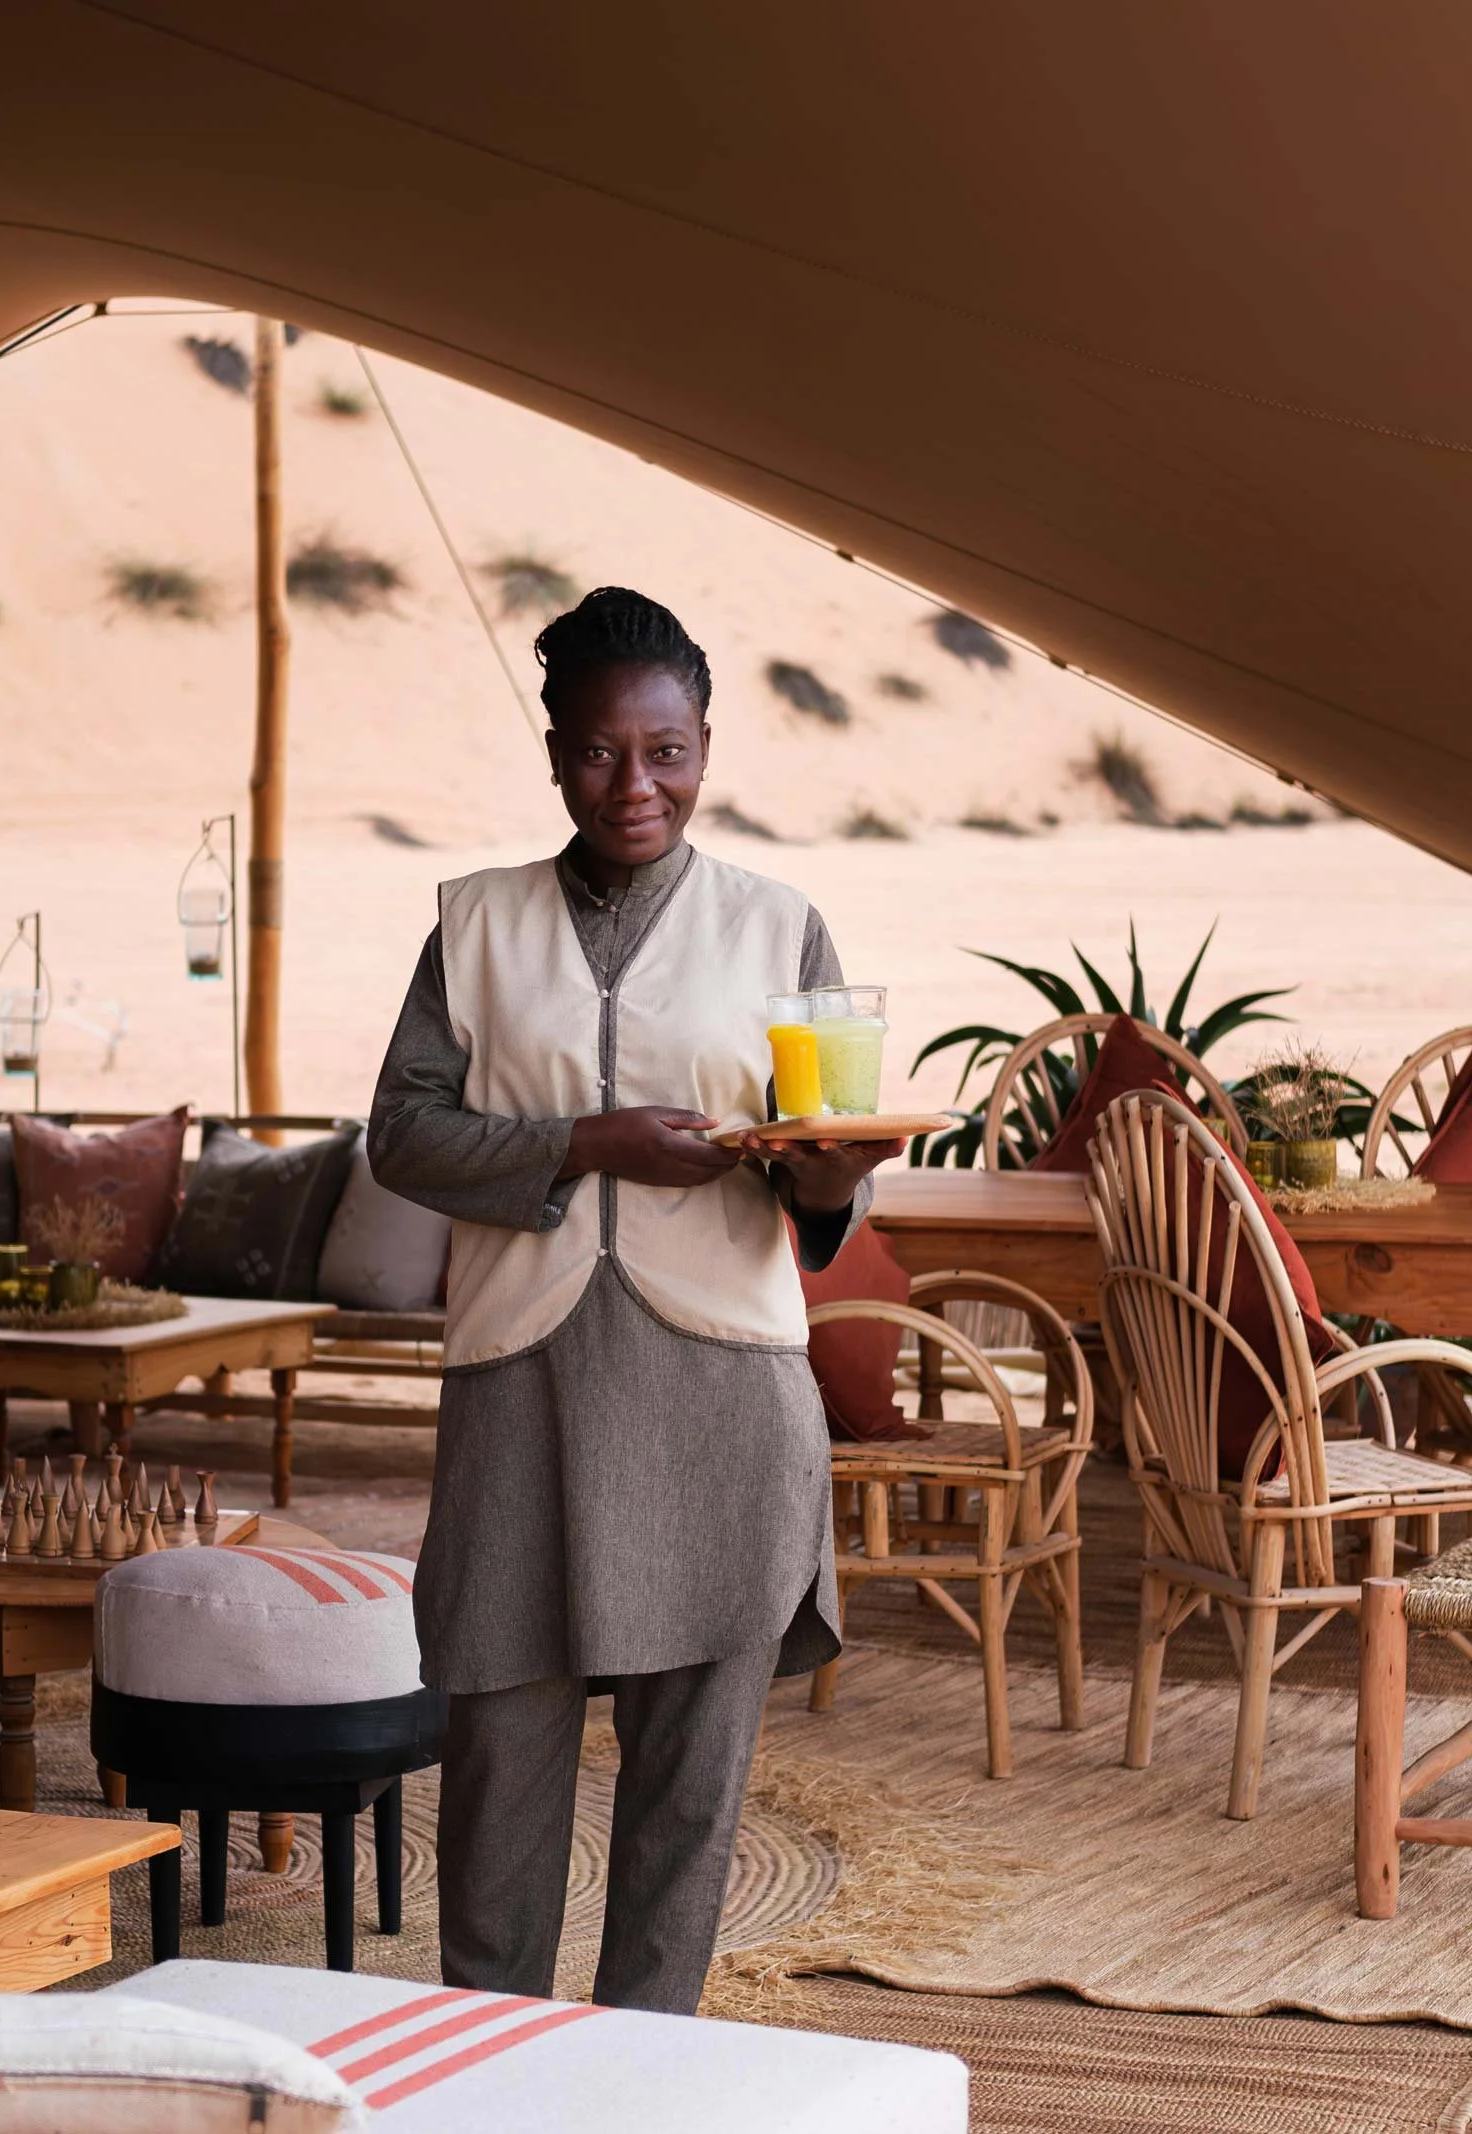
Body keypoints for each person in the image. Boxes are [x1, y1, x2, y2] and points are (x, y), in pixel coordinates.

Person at [367, 586, 901, 2013]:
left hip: (724, 1404)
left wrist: (829, 1174)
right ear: (555, 753)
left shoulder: (780, 925)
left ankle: (642, 2076)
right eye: (603, 752)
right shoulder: (473, 926)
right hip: (520, 1398)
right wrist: (585, 1142)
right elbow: (402, 1134)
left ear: (706, 747)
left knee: (685, 1806)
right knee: (496, 1781)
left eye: (666, 751)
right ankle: (485, 2074)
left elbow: (826, 1182)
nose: (636, 785)